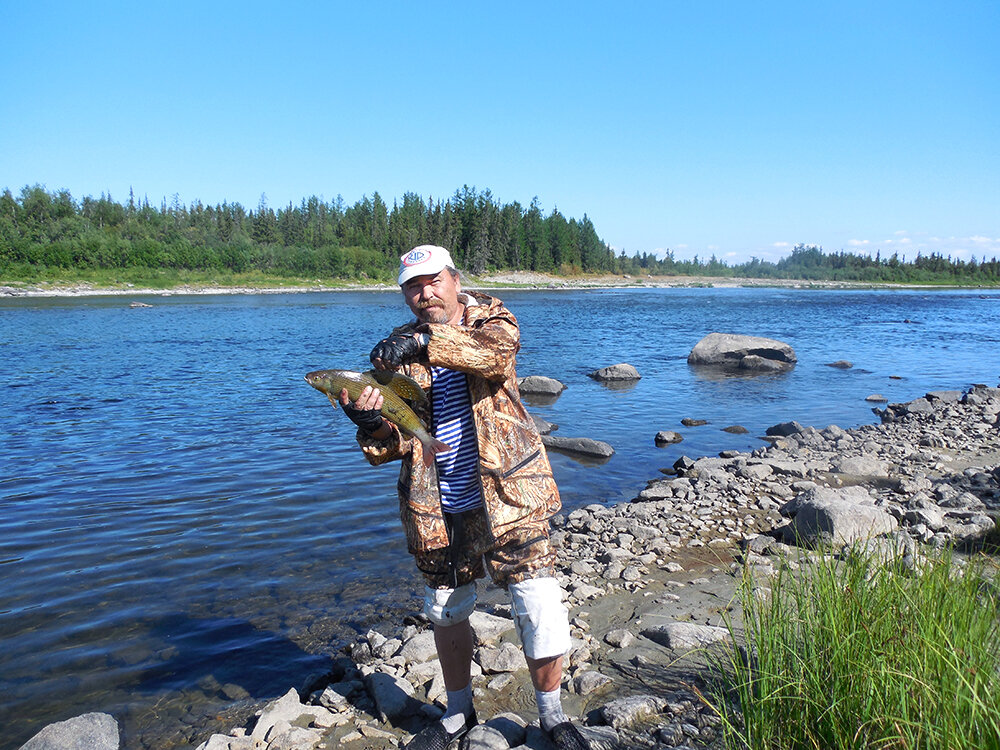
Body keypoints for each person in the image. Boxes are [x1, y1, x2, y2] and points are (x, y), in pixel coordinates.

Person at [337, 244, 590, 750]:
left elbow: (492, 358)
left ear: (455, 280)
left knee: (537, 600)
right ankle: (458, 712)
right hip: (435, 505)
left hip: (510, 493)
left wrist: (422, 343)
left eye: (433, 280)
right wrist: (369, 421)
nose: (424, 292)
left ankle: (553, 716)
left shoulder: (493, 319)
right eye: (413, 285)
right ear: (405, 293)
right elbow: (395, 443)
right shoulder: (396, 355)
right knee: (446, 610)